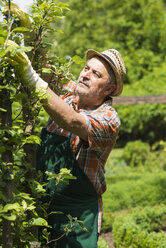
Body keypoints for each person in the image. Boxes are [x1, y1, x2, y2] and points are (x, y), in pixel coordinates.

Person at [3, 5, 126, 248]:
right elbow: (47, 71)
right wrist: (27, 30)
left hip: (77, 216)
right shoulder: (71, 93)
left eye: (95, 74)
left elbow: (71, 120)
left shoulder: (109, 118)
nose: (85, 74)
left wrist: (30, 76)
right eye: (85, 68)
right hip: (41, 206)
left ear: (108, 89)